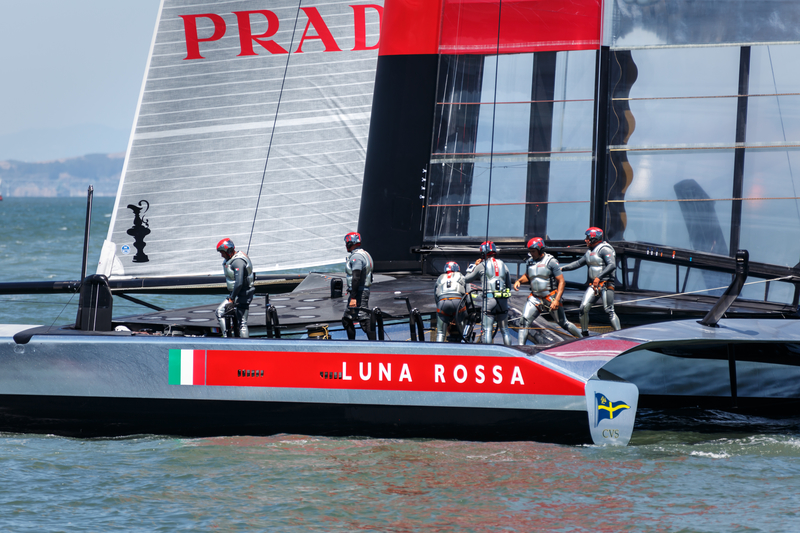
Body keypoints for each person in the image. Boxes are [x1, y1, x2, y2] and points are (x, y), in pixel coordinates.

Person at [513, 237, 581, 344]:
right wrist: (519, 281)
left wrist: (557, 300)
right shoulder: (530, 262)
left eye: (533, 251)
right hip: (535, 298)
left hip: (550, 297)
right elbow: (529, 276)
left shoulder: (551, 261)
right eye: (530, 251)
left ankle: (583, 339)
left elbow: (562, 282)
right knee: (524, 322)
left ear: (540, 250)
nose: (531, 254)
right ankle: (521, 348)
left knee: (563, 323)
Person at [561, 227, 621, 336]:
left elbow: (612, 265)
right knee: (583, 308)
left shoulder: (604, 249)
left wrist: (599, 277)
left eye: (587, 238)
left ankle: (620, 334)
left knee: (609, 310)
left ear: (594, 238)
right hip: (594, 286)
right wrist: (561, 269)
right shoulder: (589, 252)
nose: (585, 240)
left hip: (606, 284)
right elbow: (578, 263)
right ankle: (584, 334)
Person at [464, 241, 513, 346]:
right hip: (503, 300)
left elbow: (467, 279)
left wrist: (473, 266)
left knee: (487, 330)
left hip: (489, 300)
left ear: (483, 253)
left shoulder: (481, 265)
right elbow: (509, 286)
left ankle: (488, 357)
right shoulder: (503, 265)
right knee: (505, 330)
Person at [215, 238, 255, 338]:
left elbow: (239, 282)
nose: (221, 255)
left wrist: (232, 298)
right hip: (235, 293)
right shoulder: (232, 259)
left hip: (243, 294)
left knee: (242, 323)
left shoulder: (238, 262)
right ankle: (227, 338)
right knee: (220, 311)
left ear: (228, 251)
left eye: (222, 252)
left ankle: (244, 347)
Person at [342, 232, 375, 340]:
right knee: (351, 318)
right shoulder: (364, 253)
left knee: (362, 319)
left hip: (359, 292)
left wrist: (353, 297)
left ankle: (374, 344)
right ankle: (368, 343)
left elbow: (356, 277)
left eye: (347, 242)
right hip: (362, 290)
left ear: (350, 242)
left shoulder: (356, 256)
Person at [434, 261, 468, 342]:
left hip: (442, 302)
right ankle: (464, 340)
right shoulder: (461, 276)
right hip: (458, 302)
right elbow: (467, 295)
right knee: (464, 322)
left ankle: (438, 353)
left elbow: (436, 297)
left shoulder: (440, 278)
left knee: (440, 333)